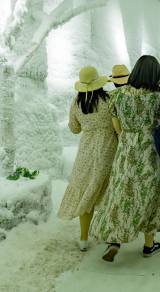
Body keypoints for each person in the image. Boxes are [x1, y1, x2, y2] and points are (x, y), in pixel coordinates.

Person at [90, 55, 160, 262]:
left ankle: (114, 240)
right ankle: (149, 246)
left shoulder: (118, 95)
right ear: (157, 74)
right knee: (151, 197)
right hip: (152, 152)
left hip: (127, 151)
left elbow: (117, 128)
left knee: (121, 194)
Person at [57, 66, 118, 251]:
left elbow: (74, 129)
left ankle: (83, 239)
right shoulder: (110, 98)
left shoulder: (76, 103)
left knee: (86, 191)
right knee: (110, 190)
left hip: (87, 151)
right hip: (110, 148)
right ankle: (112, 237)